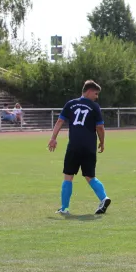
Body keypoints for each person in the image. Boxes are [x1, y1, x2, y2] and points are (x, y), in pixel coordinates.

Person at [47, 80, 111, 215]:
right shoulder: (94, 107)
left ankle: (64, 208)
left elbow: (60, 121)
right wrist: (102, 142)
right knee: (90, 176)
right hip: (89, 147)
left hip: (74, 145)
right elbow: (100, 127)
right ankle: (104, 198)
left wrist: (53, 138)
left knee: (68, 176)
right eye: (96, 93)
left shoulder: (70, 104)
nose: (96, 96)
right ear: (88, 91)